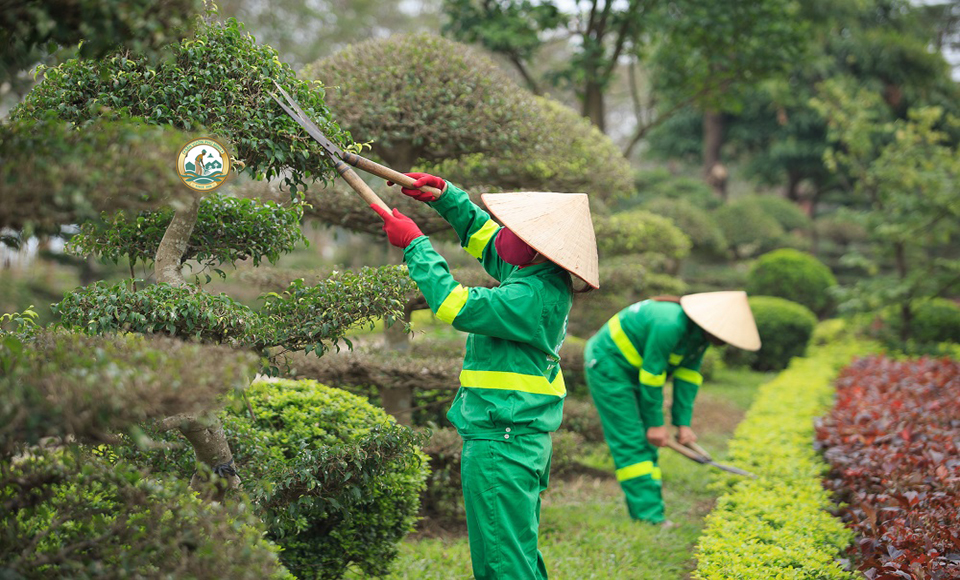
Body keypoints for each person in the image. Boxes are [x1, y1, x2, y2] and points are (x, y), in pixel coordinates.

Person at [371, 172, 598, 580]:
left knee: (501, 563)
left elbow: (456, 306)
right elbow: (489, 240)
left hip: (503, 441)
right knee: (515, 552)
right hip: (517, 437)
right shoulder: (536, 273)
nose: (505, 232)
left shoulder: (528, 296)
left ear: (540, 246)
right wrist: (445, 197)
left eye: (516, 228)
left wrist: (417, 246)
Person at [583, 292, 761, 524]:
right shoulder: (669, 323)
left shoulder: (698, 337)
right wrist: (656, 424)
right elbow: (652, 376)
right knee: (631, 440)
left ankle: (648, 508)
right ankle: (650, 518)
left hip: (637, 370)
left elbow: (688, 378)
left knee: (647, 441)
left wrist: (682, 424)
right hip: (608, 365)